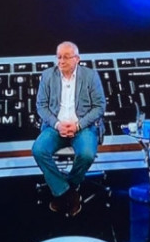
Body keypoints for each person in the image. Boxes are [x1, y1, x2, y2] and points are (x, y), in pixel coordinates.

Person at [31, 41, 106, 216]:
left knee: (86, 154)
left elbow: (99, 107)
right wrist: (58, 124)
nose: (61, 61)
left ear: (77, 59)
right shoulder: (48, 75)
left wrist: (78, 125)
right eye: (59, 57)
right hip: (55, 127)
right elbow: (41, 106)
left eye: (66, 57)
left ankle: (68, 187)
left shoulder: (90, 76)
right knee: (38, 150)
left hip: (83, 127)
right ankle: (66, 193)